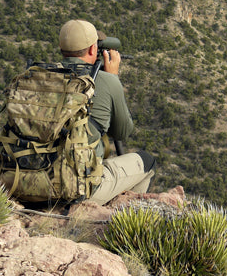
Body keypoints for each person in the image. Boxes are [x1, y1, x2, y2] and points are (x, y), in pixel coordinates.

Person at [58, 19, 156, 204]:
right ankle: (117, 217)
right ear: (92, 50)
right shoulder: (105, 80)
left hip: (26, 178)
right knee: (147, 162)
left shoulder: (40, 76)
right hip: (76, 188)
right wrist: (113, 79)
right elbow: (122, 132)